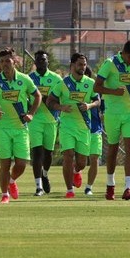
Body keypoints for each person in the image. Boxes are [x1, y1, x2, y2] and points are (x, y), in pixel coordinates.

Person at [94, 39, 130, 201]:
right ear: (123, 53)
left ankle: (128, 187)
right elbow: (96, 87)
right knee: (112, 149)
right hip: (112, 113)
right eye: (129, 58)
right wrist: (113, 91)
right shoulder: (110, 63)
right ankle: (110, 184)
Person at [0, 47, 41, 204]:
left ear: (14, 61)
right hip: (1, 128)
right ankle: (4, 195)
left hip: (20, 127)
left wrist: (31, 113)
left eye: (8, 61)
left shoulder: (24, 79)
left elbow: (37, 95)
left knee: (22, 163)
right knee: (5, 163)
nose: (5, 64)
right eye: (2, 62)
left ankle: (11, 180)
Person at [46, 52, 100, 198]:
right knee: (68, 156)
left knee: (82, 162)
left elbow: (98, 100)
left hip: (84, 127)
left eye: (84, 64)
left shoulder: (90, 83)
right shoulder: (63, 83)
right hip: (67, 126)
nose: (82, 67)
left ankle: (77, 171)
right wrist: (61, 107)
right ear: (72, 66)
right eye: (79, 64)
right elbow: (50, 101)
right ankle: (69, 190)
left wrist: (89, 105)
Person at [28, 50, 62, 196]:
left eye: (44, 60)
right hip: (35, 120)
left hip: (51, 119)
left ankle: (45, 174)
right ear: (35, 63)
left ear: (48, 62)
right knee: (37, 152)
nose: (41, 62)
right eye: (39, 60)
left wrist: (49, 99)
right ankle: (38, 187)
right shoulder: (29, 79)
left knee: (48, 153)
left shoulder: (56, 79)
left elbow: (62, 97)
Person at [81, 65, 103, 196]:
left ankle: (89, 187)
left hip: (95, 129)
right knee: (81, 160)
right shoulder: (74, 92)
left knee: (94, 158)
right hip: (80, 129)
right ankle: (76, 171)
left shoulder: (96, 93)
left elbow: (102, 107)